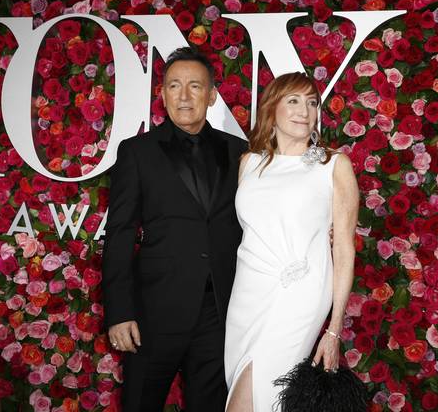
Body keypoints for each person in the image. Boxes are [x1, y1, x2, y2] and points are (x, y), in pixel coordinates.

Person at [102, 46, 247, 412]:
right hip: (153, 313)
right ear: (163, 93)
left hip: (219, 316)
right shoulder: (137, 152)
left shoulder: (241, 153)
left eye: (195, 86)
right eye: (174, 86)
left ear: (211, 95)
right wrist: (119, 312)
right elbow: (119, 233)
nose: (184, 96)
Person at [224, 72, 359, 411]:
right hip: (247, 294)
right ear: (272, 108)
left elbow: (343, 247)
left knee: (257, 397)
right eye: (294, 101)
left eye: (312, 103)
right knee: (245, 391)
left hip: (298, 293)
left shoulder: (333, 165)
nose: (305, 110)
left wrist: (334, 329)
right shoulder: (249, 163)